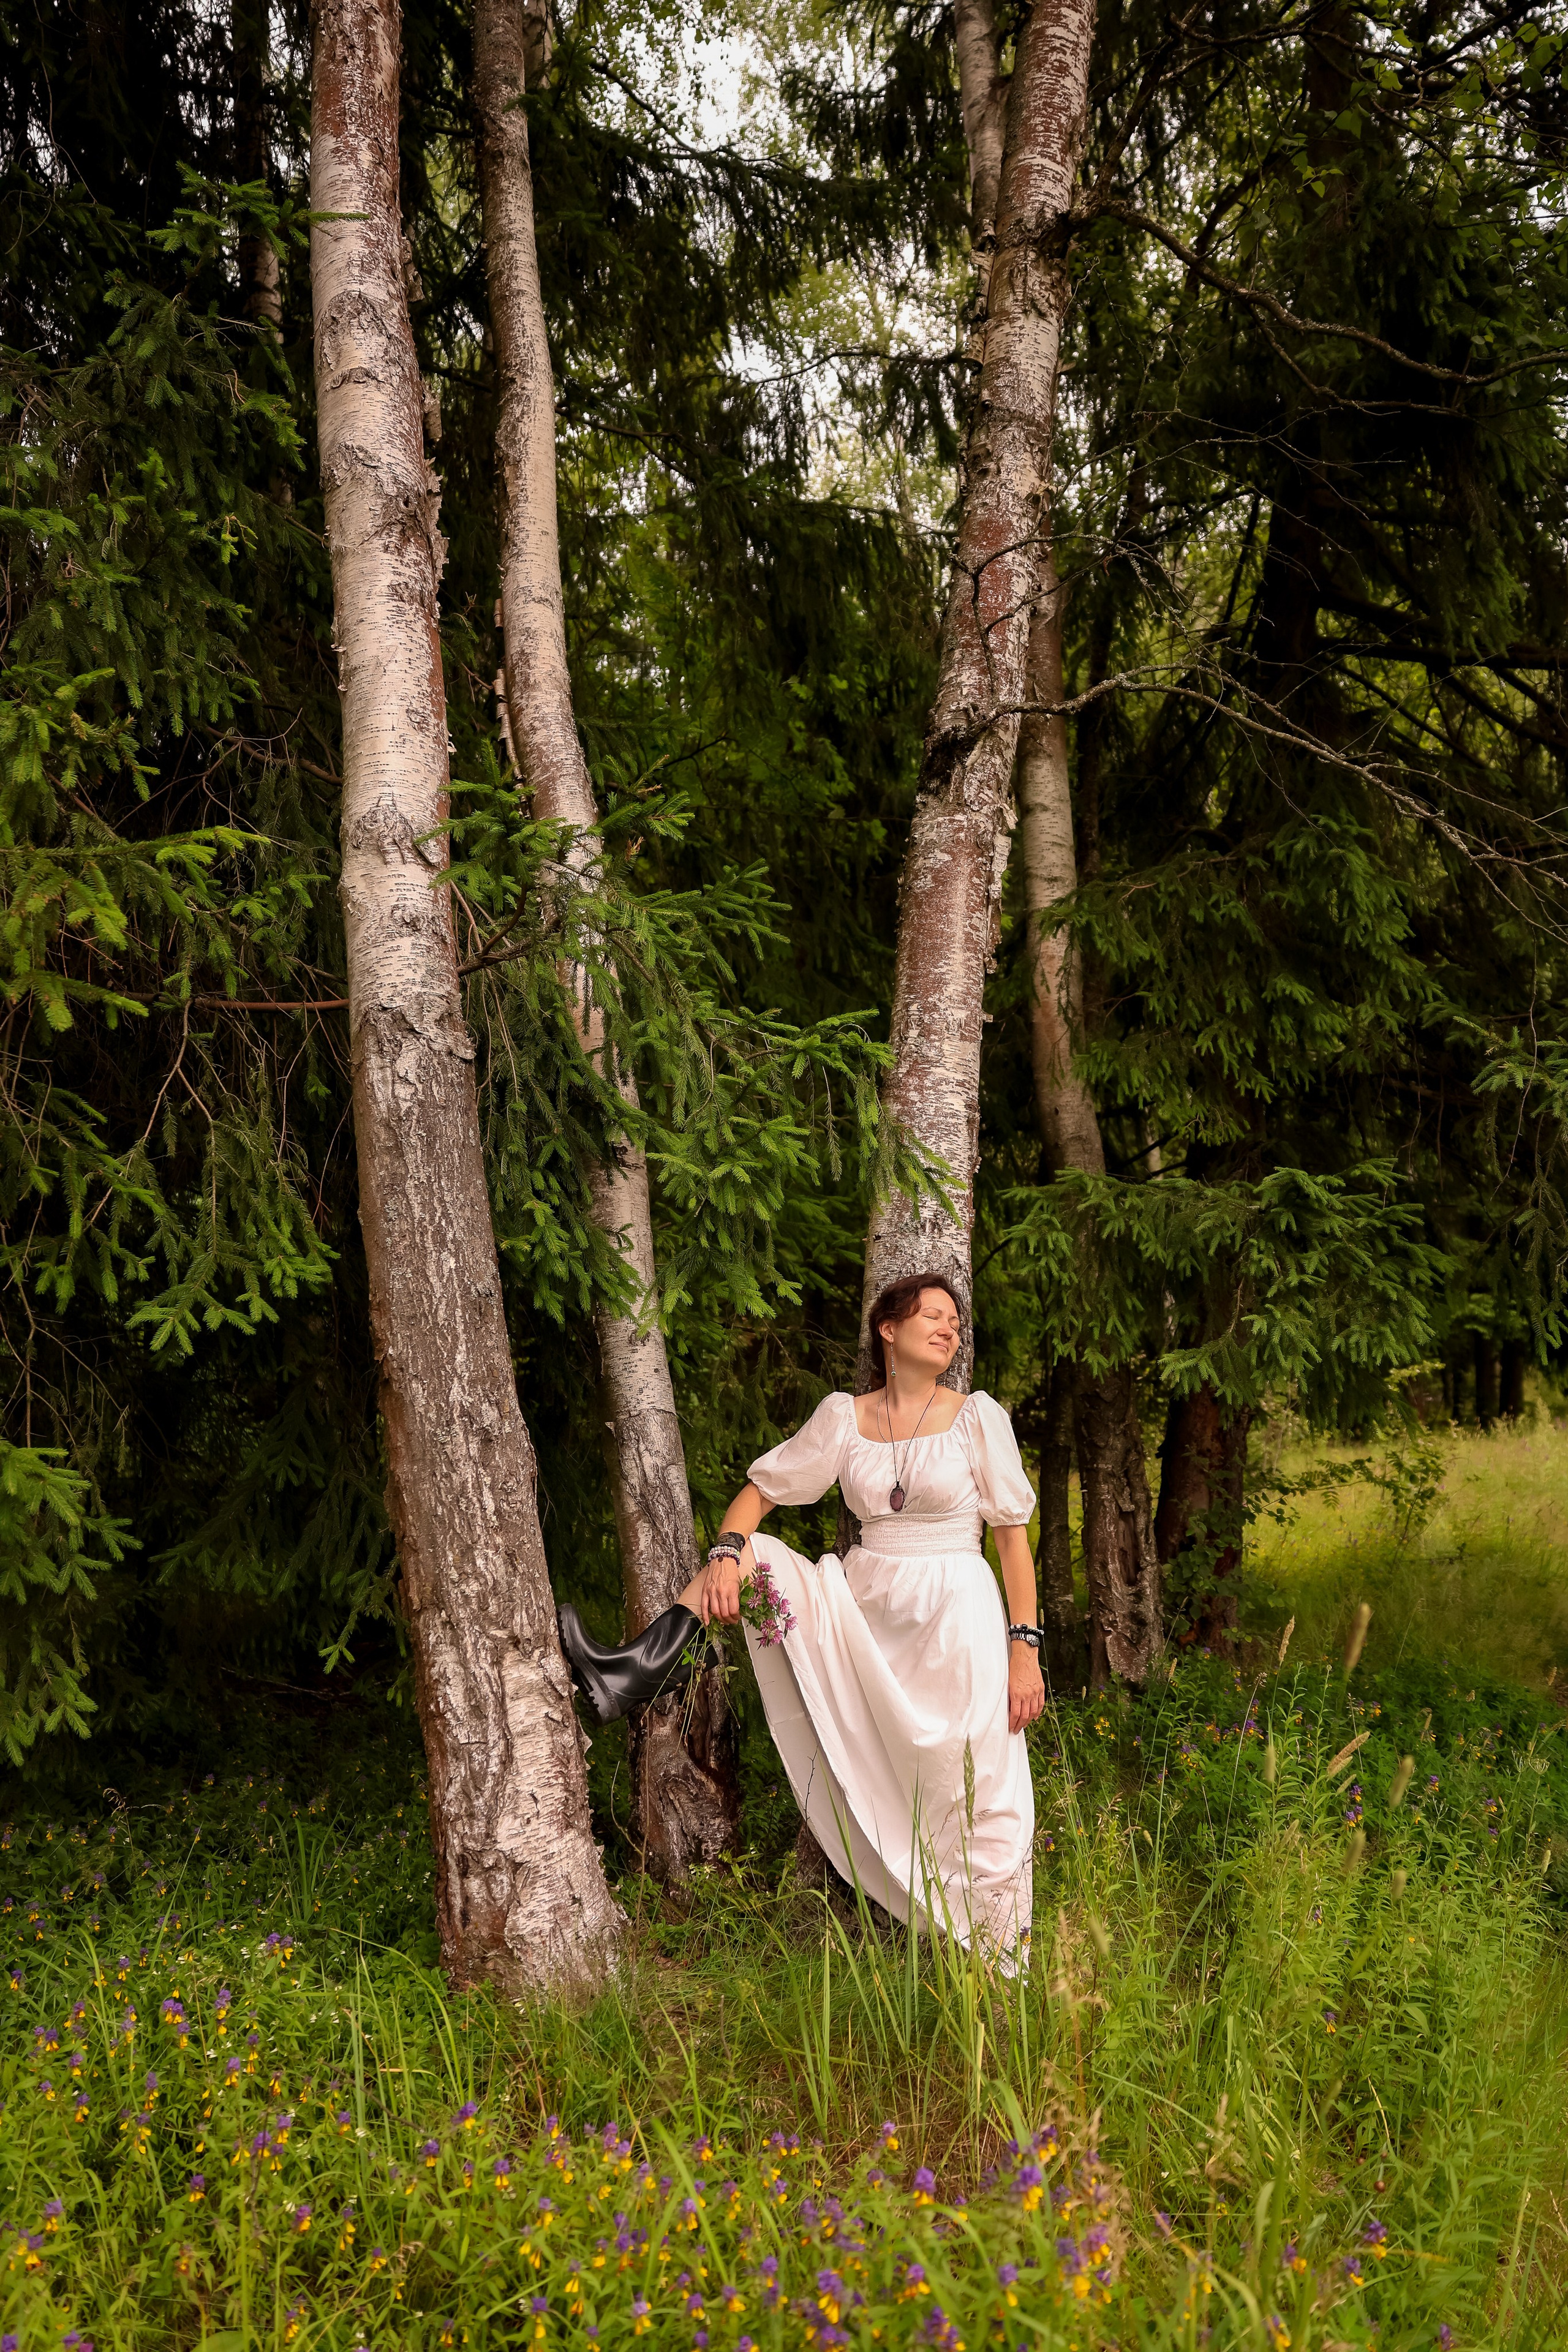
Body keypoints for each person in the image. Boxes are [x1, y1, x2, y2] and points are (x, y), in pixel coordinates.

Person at [557, 1275, 1046, 1956]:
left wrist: (1024, 1648)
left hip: (955, 1615)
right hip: (863, 1615)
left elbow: (1012, 1540)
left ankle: (997, 1953)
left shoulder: (976, 1417)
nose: (949, 1330)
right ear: (888, 1329)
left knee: (976, 1775)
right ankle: (636, 1669)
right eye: (932, 1316)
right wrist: (726, 1553)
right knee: (751, 1555)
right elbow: (760, 1492)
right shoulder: (845, 1418)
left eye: (955, 1323)